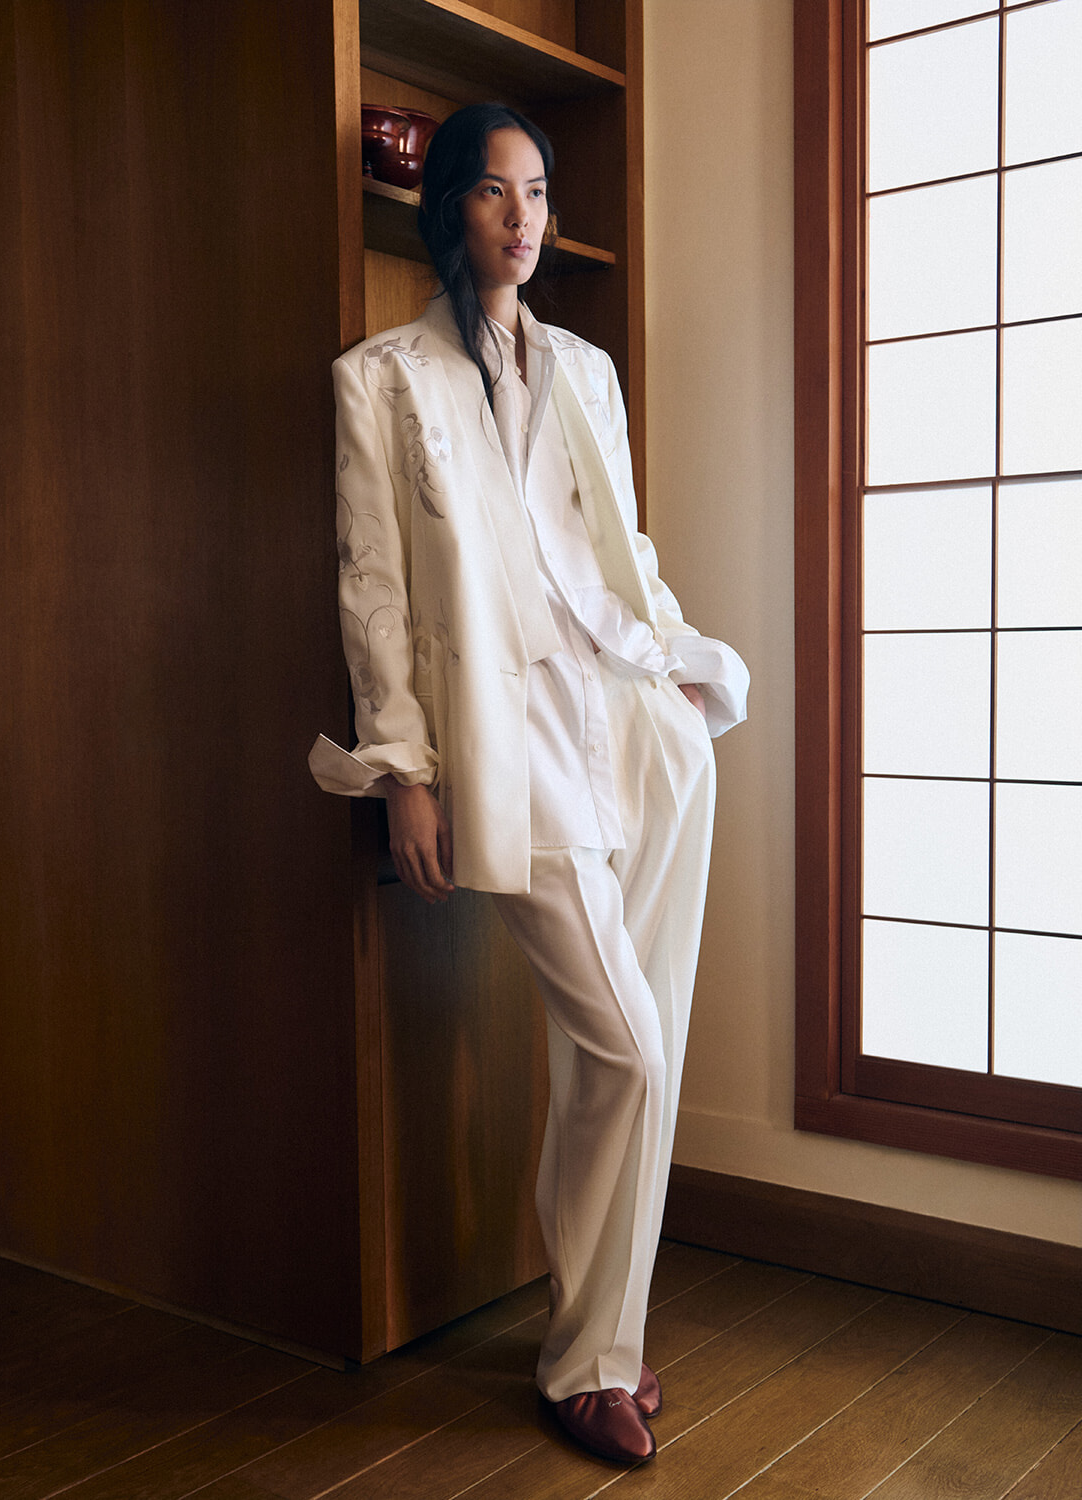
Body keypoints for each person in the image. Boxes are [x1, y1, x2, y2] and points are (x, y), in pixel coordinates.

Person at [310, 102, 748, 1465]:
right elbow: (375, 598)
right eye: (496, 193)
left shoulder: (586, 370)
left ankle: (602, 1328)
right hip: (511, 744)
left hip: (630, 718)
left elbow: (620, 544)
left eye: (541, 193)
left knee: (630, 1033)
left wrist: (671, 665)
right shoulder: (379, 382)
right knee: (631, 1044)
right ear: (447, 206)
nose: (524, 217)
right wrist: (406, 775)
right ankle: (581, 1366)